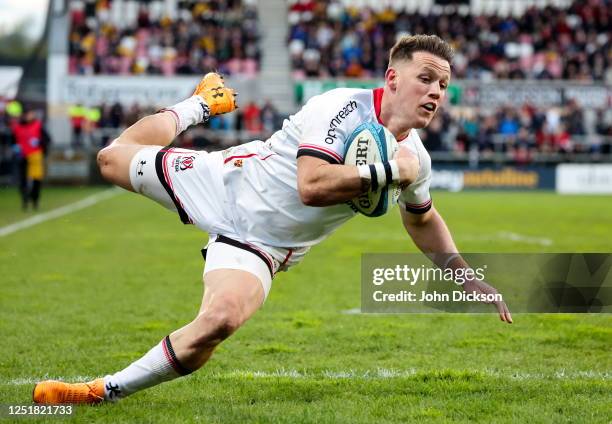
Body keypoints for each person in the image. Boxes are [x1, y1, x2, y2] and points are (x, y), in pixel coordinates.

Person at [33, 35, 512, 405]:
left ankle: (101, 391)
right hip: (227, 185)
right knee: (110, 158)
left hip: (265, 247)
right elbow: (312, 183)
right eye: (426, 78)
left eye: (444, 85)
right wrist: (387, 171)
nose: (436, 91)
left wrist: (466, 278)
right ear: (391, 78)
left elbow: (422, 219)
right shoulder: (341, 106)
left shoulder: (416, 159)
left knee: (218, 323)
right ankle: (201, 103)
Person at [10, 110, 50, 211]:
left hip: (35, 155)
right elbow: (12, 141)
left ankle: (34, 199)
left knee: (36, 179)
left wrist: (39, 142)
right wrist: (15, 147)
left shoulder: (38, 126)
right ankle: (25, 199)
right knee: (22, 179)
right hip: (22, 155)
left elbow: (47, 139)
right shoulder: (17, 128)